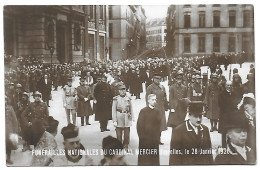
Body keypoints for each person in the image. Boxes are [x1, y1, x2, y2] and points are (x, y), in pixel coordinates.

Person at [137, 94, 161, 166]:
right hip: (145, 141)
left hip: (154, 140)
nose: (154, 101)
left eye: (155, 100)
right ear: (148, 101)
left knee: (154, 160)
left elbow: (158, 125)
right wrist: (142, 138)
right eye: (152, 100)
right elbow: (139, 126)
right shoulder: (143, 111)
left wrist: (158, 137)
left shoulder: (157, 111)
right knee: (145, 160)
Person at [146, 73, 167, 144]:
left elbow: (165, 97)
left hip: (161, 108)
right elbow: (147, 99)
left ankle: (158, 139)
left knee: (160, 124)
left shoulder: (162, 87)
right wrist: (148, 108)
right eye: (156, 79)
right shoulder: (150, 87)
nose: (158, 80)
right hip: (153, 108)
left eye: (159, 79)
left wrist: (166, 105)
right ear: (153, 79)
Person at [112, 84, 134, 150]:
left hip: (127, 117)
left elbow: (131, 109)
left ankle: (125, 145)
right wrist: (114, 120)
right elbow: (113, 110)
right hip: (119, 117)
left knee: (127, 134)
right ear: (119, 91)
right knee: (119, 134)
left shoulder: (128, 99)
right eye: (121, 90)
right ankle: (119, 146)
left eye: (124, 90)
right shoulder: (116, 99)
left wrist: (132, 118)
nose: (123, 91)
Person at [218, 81, 237, 147]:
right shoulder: (221, 94)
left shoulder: (234, 94)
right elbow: (221, 105)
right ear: (225, 86)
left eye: (230, 85)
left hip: (232, 115)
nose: (229, 87)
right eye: (228, 85)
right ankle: (224, 146)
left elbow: (235, 103)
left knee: (231, 131)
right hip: (224, 115)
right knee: (224, 132)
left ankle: (230, 145)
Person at [5, 96, 19, 165]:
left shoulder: (10, 108)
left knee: (8, 144)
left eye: (5, 100)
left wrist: (15, 130)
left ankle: (8, 158)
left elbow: (14, 119)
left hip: (8, 130)